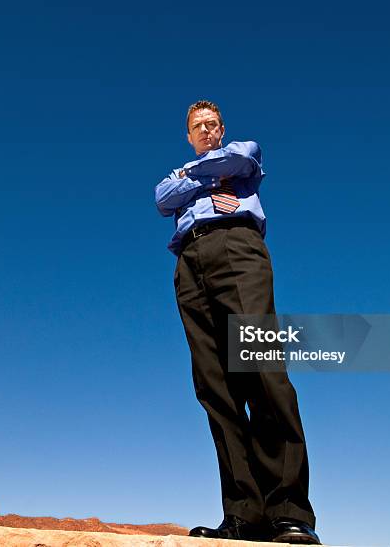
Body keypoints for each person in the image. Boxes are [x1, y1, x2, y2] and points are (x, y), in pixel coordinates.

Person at [154, 100, 320, 545]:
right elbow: (160, 198)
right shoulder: (184, 172)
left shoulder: (243, 150)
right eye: (197, 127)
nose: (206, 131)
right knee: (215, 386)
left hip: (238, 249)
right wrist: (201, 179)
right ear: (188, 135)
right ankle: (244, 514)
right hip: (190, 262)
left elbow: (237, 161)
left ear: (222, 129)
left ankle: (288, 511)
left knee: (261, 370)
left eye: (212, 125)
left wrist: (192, 178)